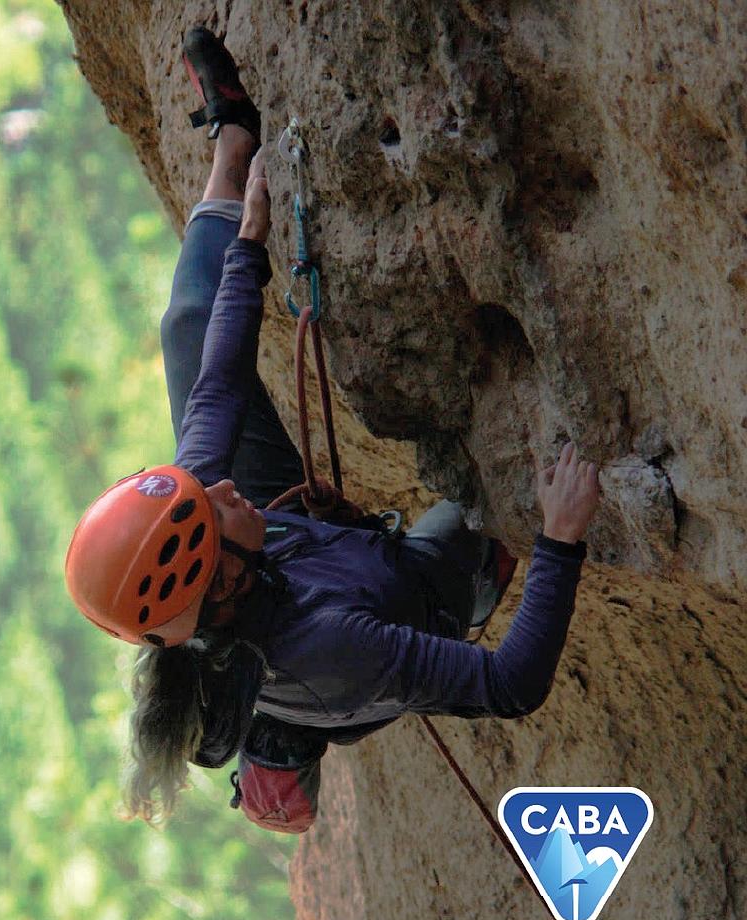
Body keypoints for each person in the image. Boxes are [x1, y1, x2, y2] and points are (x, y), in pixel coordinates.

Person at [65, 28, 600, 828]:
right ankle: (479, 565)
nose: (213, 485)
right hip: (414, 591)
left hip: (295, 565)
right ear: (217, 573)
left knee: (188, 326)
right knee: (518, 476)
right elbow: (508, 686)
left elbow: (214, 388)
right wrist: (560, 540)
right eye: (209, 505)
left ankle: (233, 135)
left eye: (196, 488)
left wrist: (248, 243)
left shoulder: (210, 534)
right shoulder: (336, 646)